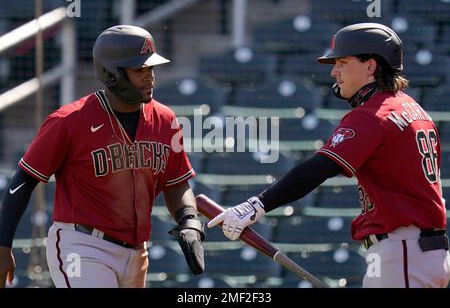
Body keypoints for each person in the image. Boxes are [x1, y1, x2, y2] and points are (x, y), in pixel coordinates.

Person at [208, 22, 450, 288]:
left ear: (370, 66)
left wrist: (256, 205)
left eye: (343, 62)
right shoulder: (413, 108)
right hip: (421, 251)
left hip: (402, 251)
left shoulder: (375, 114)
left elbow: (319, 168)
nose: (334, 71)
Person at [0, 25, 205, 288]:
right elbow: (23, 180)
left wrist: (188, 219)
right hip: (82, 246)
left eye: (151, 68)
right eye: (139, 70)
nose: (150, 77)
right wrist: (3, 245)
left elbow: (176, 181)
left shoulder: (165, 120)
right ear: (111, 74)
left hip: (136, 251)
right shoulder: (69, 122)